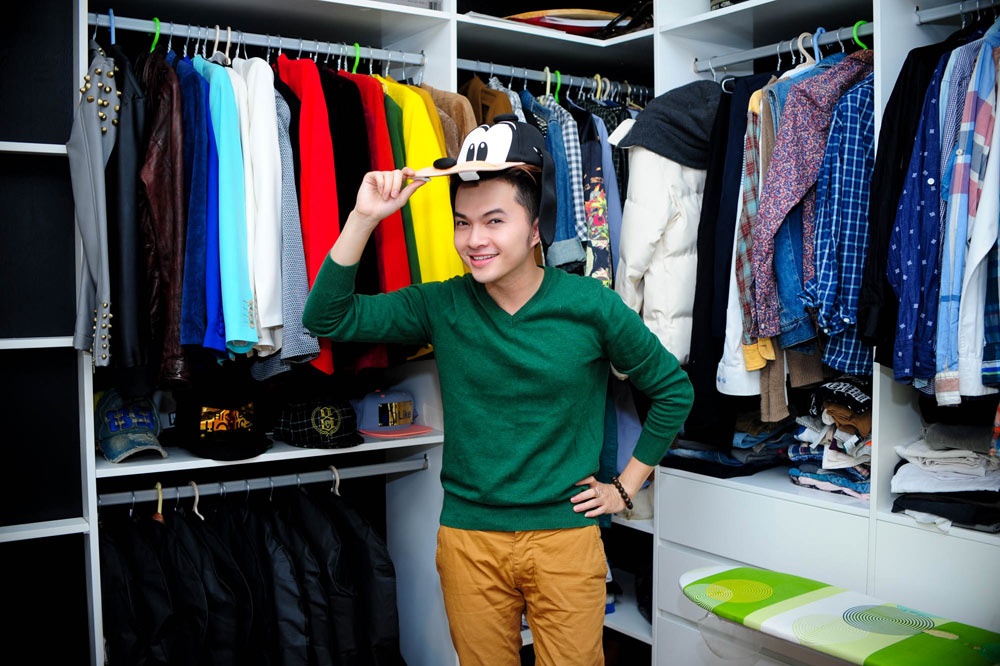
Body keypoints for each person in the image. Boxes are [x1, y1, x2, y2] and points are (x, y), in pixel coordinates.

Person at [302, 116, 694, 666]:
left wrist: (625, 489)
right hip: (469, 541)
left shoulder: (590, 306)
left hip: (564, 539)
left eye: (494, 220)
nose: (474, 240)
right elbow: (326, 317)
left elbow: (673, 392)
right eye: (462, 223)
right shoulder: (443, 304)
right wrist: (363, 218)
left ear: (535, 227)